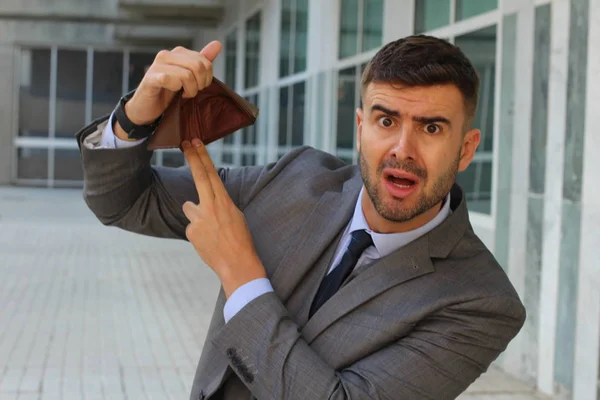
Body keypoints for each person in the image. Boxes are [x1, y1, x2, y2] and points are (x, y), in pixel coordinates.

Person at [76, 35, 526, 400]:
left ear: (466, 148)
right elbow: (124, 201)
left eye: (431, 128)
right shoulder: (294, 180)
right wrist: (134, 118)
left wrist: (241, 275)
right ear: (360, 127)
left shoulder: (480, 302)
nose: (402, 149)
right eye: (386, 121)